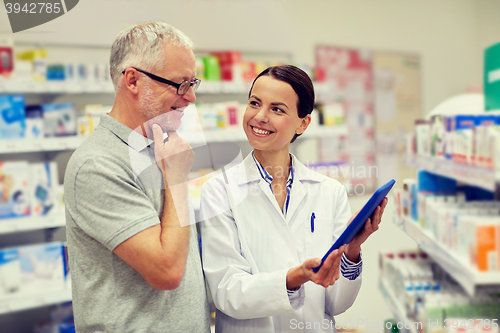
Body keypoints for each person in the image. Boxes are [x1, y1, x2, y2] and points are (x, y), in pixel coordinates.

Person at [199, 65, 388, 332]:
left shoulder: (329, 192)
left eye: (277, 109)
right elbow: (227, 292)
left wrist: (352, 252)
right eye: (255, 103)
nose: (260, 117)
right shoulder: (220, 190)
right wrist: (295, 277)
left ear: (303, 123)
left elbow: (336, 304)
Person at [64, 22, 210, 332]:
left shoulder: (159, 148)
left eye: (193, 82)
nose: (191, 97)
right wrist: (177, 180)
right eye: (181, 84)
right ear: (133, 80)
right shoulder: (98, 164)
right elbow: (166, 271)